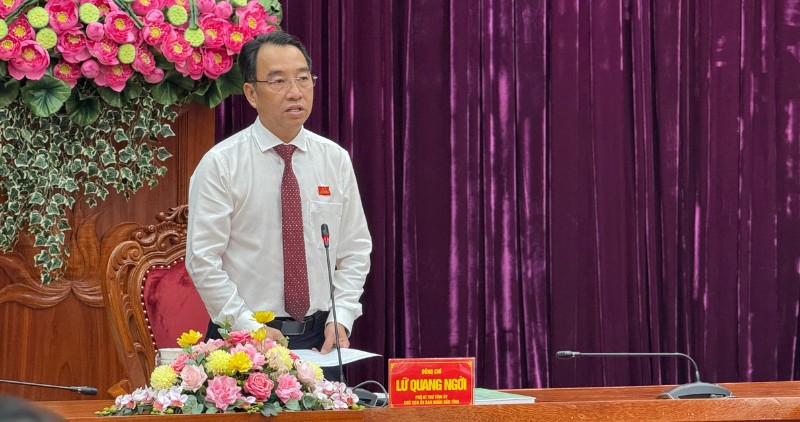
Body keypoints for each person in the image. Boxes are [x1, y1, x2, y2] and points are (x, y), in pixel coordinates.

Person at [186, 32, 372, 376]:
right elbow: (202, 260)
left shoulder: (335, 160)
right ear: (252, 94)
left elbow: (355, 249)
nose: (295, 91)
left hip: (322, 342)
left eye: (303, 78)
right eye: (279, 80)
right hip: (242, 344)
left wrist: (341, 315)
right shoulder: (222, 164)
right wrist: (247, 327)